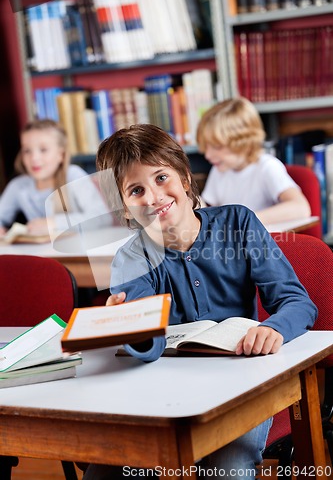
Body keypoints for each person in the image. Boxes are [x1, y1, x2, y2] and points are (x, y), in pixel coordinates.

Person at [82, 124, 317, 480]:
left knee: (228, 469)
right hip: (165, 393)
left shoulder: (238, 223)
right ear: (125, 209)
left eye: (162, 177)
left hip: (242, 383)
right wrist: (131, 325)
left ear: (186, 178)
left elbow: (298, 303)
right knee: (109, 470)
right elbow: (149, 342)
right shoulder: (131, 259)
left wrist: (274, 328)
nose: (153, 196)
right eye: (136, 190)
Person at [196, 97, 311, 226]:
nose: (207, 155)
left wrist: (243, 220)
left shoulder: (267, 167)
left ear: (244, 142)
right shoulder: (219, 170)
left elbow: (301, 208)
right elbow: (209, 208)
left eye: (217, 147)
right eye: (206, 146)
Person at [0, 119, 112, 236]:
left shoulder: (73, 175)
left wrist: (52, 224)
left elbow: (102, 218)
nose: (34, 158)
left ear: (61, 155)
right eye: (27, 151)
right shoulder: (18, 185)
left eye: (43, 150)